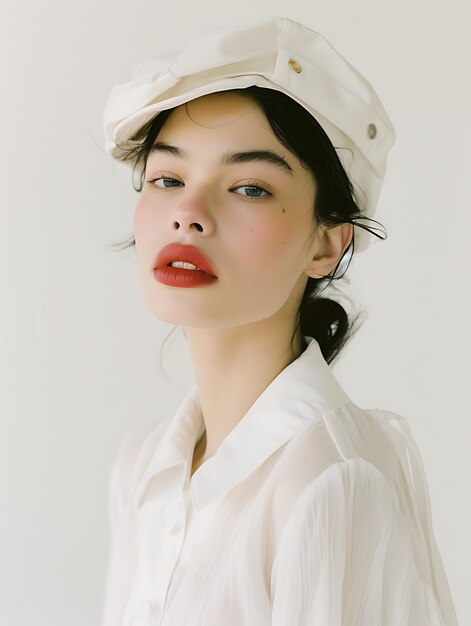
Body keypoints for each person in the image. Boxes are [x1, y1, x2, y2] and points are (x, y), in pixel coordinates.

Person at [100, 16, 458, 626]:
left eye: (249, 188)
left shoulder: (331, 480)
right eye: (167, 178)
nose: (187, 213)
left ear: (327, 244)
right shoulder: (144, 466)